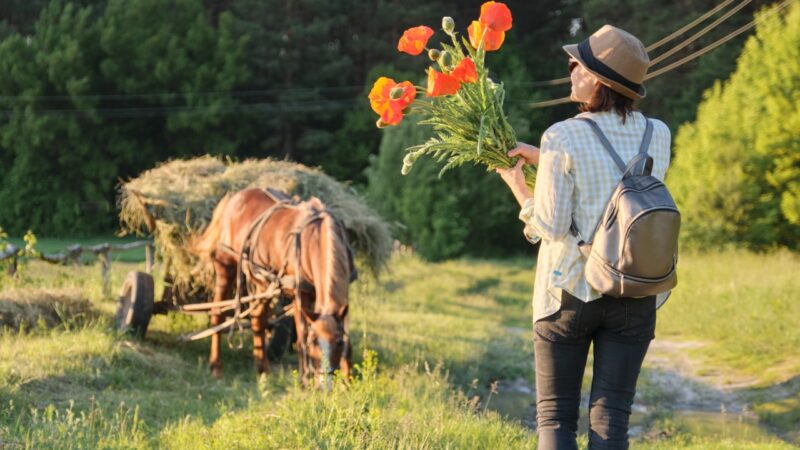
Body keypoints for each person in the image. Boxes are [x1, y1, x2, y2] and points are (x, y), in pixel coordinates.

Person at [497, 25, 672, 450]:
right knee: (612, 416)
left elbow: (552, 226)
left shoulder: (562, 134)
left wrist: (519, 187)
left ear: (598, 80)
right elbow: (625, 186)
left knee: (555, 419)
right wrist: (548, 161)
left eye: (578, 63)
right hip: (635, 289)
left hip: (569, 291)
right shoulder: (659, 132)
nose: (570, 67)